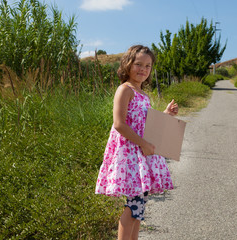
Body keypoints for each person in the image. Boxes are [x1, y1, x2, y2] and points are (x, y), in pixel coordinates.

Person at [95, 45, 178, 240]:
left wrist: (166, 114)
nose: (143, 69)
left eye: (148, 66)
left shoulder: (143, 94)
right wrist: (143, 144)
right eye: (138, 64)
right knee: (133, 206)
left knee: (139, 204)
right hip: (130, 154)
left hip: (141, 154)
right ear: (127, 64)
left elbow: (144, 121)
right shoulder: (125, 90)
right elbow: (119, 124)